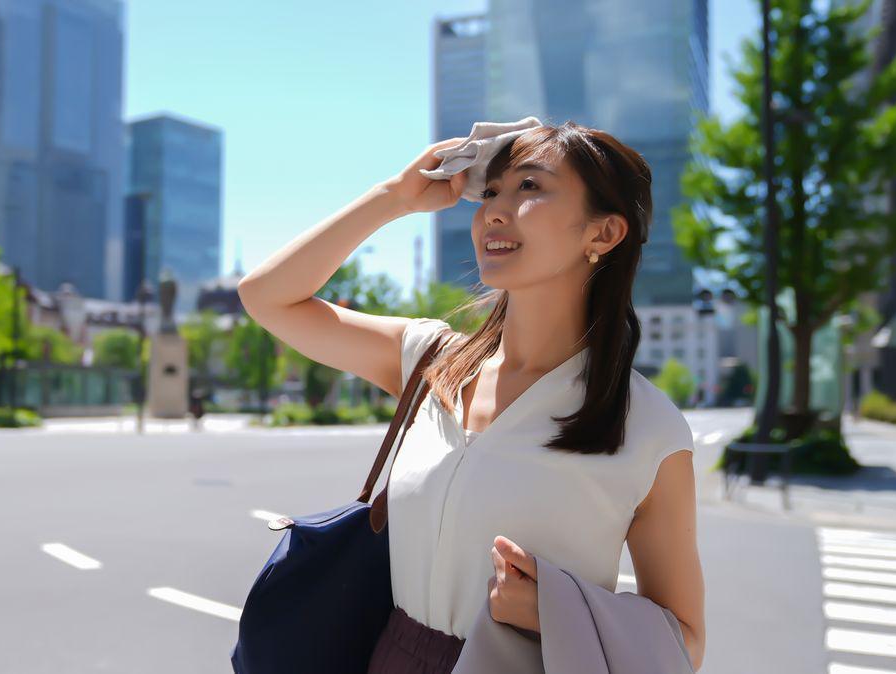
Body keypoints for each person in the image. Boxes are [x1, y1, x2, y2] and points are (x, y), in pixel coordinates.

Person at [236, 121, 705, 673]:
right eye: (490, 192)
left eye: (529, 187)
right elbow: (266, 297)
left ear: (601, 235)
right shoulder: (431, 361)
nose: (493, 212)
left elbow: (685, 639)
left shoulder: (647, 427)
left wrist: (553, 612)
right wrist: (394, 198)